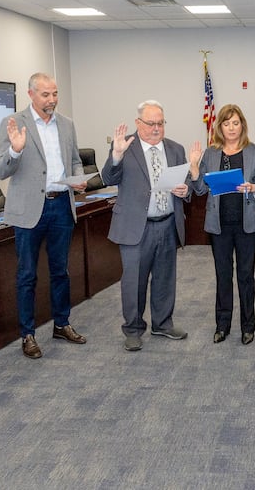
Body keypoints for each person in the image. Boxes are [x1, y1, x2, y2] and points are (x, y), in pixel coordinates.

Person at [0, 72, 88, 360]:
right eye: (46, 95)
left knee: (61, 270)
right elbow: (0, 170)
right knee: (27, 275)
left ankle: (61, 323)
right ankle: (28, 334)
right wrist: (15, 150)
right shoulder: (13, 124)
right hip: (29, 210)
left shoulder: (67, 124)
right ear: (31, 94)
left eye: (55, 94)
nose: (52, 100)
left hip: (61, 204)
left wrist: (79, 178)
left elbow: (74, 160)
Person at [101, 100, 191, 352]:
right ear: (138, 123)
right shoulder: (124, 146)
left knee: (165, 278)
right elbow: (108, 178)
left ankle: (162, 323)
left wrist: (185, 190)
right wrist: (116, 155)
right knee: (134, 281)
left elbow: (186, 185)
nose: (156, 128)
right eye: (150, 123)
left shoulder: (175, 149)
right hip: (135, 226)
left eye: (160, 123)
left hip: (167, 223)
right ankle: (132, 328)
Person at [189, 104, 255, 345]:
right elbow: (200, 189)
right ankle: (222, 325)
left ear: (242, 125)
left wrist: (254, 187)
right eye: (227, 124)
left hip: (247, 224)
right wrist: (195, 168)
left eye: (236, 123)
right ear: (220, 127)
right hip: (220, 225)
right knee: (222, 275)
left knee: (246, 276)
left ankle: (248, 326)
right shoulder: (211, 153)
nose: (232, 128)